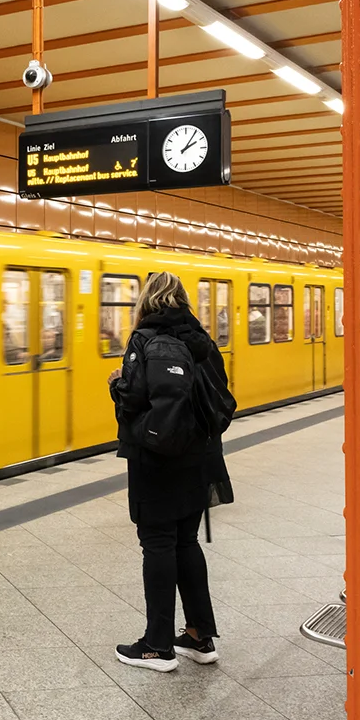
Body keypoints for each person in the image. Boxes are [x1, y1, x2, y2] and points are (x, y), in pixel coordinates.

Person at [108, 271, 234, 672]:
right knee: (185, 542)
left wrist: (116, 385)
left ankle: (156, 645)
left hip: (158, 462)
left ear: (146, 301)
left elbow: (136, 401)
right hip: (200, 458)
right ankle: (199, 636)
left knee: (157, 544)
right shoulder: (202, 342)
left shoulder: (145, 341)